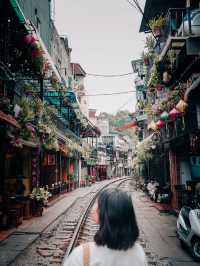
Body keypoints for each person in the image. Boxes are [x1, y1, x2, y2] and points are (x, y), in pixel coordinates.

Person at [63, 188, 148, 266]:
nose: (94, 209)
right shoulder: (139, 253)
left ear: (107, 215)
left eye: (99, 205)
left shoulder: (81, 254)